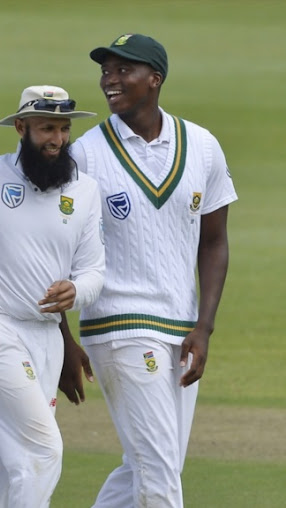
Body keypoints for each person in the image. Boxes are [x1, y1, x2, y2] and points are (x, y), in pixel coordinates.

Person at [73, 33, 238, 507]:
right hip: (118, 325)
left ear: (155, 78)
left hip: (181, 327)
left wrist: (204, 326)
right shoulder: (86, 154)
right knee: (160, 470)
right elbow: (60, 248)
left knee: (146, 465)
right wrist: (63, 338)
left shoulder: (202, 146)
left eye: (123, 70)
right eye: (106, 71)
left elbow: (215, 242)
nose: (110, 80)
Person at [0, 85, 105, 508]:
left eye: (62, 129)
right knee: (41, 452)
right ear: (21, 127)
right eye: (45, 128)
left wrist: (75, 291)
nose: (55, 139)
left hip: (45, 340)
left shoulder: (85, 190)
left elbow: (94, 270)